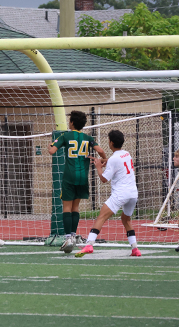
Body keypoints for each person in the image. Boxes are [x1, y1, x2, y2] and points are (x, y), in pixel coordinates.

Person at [75, 130, 141, 257]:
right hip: (133, 193)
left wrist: (98, 167)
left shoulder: (114, 159)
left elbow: (104, 179)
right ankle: (135, 249)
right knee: (126, 220)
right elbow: (115, 163)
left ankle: (89, 245)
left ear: (111, 142)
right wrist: (103, 161)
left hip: (120, 194)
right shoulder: (126, 154)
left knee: (101, 217)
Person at [48, 110, 106, 252]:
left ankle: (68, 237)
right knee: (76, 207)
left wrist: (51, 144)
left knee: (67, 207)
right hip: (82, 176)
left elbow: (51, 151)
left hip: (69, 176)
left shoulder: (66, 136)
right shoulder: (88, 137)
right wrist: (104, 160)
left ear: (72, 123)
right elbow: (100, 150)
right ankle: (73, 235)